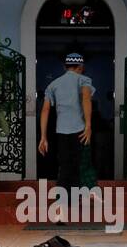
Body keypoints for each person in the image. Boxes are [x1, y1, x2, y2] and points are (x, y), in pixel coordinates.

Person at [38, 51, 94, 192]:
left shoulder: (53, 85)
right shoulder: (84, 80)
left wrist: (43, 137)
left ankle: (62, 201)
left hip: (62, 132)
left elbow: (45, 110)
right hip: (80, 131)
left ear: (65, 67)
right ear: (80, 66)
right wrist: (88, 125)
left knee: (65, 166)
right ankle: (79, 197)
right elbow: (86, 99)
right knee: (80, 165)